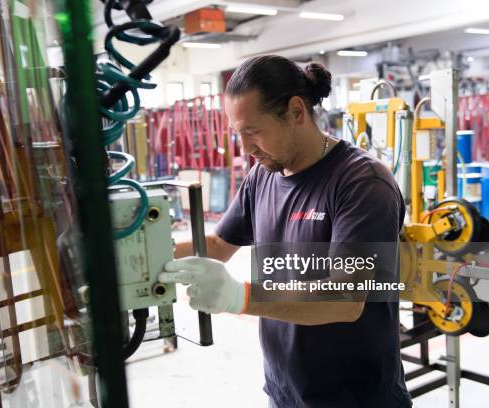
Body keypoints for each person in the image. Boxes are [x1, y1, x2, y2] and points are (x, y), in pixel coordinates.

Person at [158, 55, 412, 408]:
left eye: (253, 131)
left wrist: (240, 296)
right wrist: (142, 256)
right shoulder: (264, 176)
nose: (245, 149)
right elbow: (216, 244)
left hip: (357, 397)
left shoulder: (361, 182)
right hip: (286, 392)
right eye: (238, 134)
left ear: (296, 111)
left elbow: (346, 299)